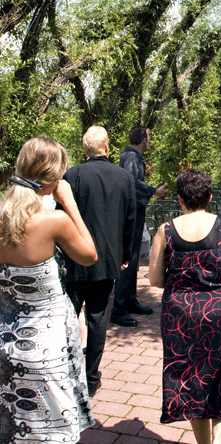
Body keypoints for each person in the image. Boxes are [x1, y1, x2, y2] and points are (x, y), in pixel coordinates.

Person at [0, 137, 98, 441]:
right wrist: (68, 202)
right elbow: (89, 254)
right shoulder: (54, 221)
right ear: (54, 178)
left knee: (16, 430)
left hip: (6, 341)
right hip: (48, 348)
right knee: (54, 433)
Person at [149, 169, 221, 444]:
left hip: (181, 316)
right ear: (209, 196)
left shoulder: (165, 231)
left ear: (180, 199)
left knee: (192, 378)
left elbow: (156, 279)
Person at [63, 126, 136, 396]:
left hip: (75, 257)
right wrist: (125, 255)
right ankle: (91, 377)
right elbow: (131, 220)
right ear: (107, 147)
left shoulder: (72, 175)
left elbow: (63, 218)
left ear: (85, 149)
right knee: (97, 317)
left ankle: (67, 371)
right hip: (107, 260)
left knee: (69, 315)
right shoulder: (124, 177)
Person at [112, 125, 168, 327]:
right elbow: (132, 183)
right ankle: (119, 309)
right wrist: (154, 191)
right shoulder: (132, 158)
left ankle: (130, 300)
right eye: (149, 137)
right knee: (128, 258)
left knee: (133, 259)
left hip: (135, 211)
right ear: (144, 140)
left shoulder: (132, 157)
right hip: (131, 213)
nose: (149, 141)